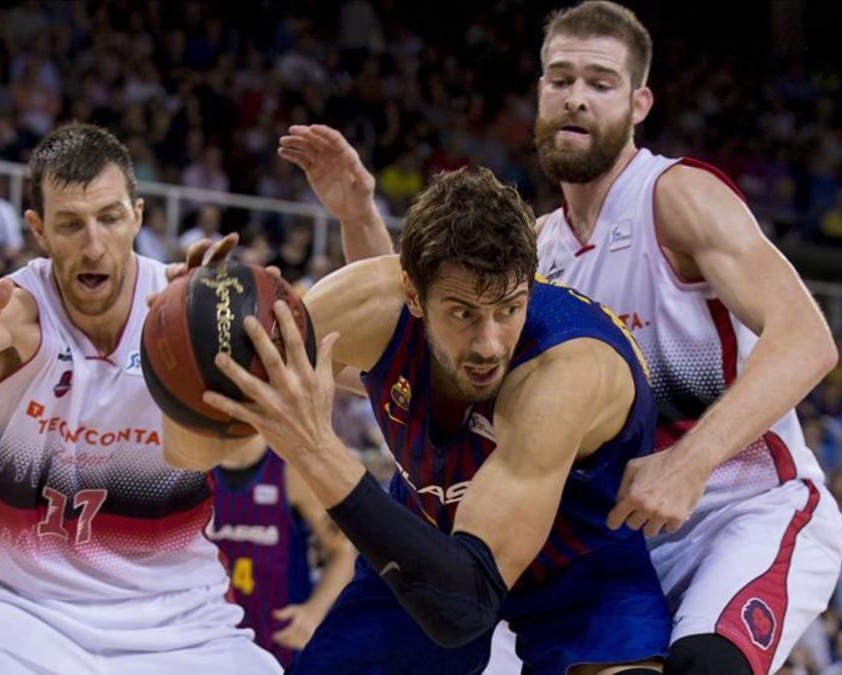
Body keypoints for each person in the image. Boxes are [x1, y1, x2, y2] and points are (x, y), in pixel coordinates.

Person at [280, 4, 842, 673]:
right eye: (561, 79)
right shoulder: (535, 252)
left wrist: (690, 460)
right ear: (540, 94)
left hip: (738, 508)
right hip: (615, 538)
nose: (576, 97)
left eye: (600, 83)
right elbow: (405, 341)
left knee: (705, 666)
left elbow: (808, 338)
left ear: (640, 103)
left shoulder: (676, 197)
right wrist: (358, 215)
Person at [173, 167, 671, 674]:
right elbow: (190, 451)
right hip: (428, 540)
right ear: (411, 294)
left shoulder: (562, 375)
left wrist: (316, 449)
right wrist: (189, 344)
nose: (489, 343)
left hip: (579, 565)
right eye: (462, 313)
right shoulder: (363, 305)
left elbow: (464, 607)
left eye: (509, 308)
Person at [0, 123, 280, 673]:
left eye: (109, 218)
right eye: (71, 225)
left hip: (175, 613)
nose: (94, 244)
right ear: (38, 230)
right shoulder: (10, 310)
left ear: (138, 216)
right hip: (21, 609)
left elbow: (238, 455)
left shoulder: (184, 312)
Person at [211, 435, 356, 667]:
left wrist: (315, 612)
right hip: (213, 636)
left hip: (279, 638)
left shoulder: (292, 472)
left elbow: (342, 552)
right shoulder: (193, 472)